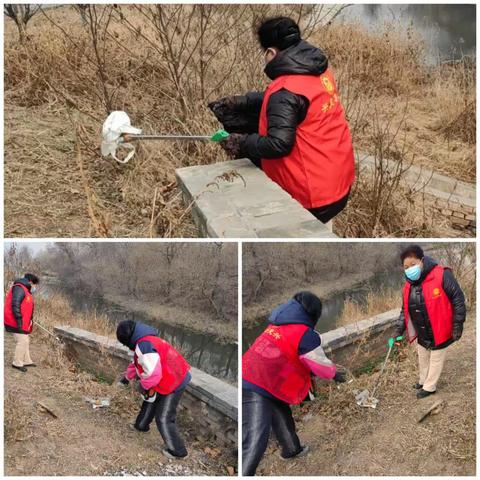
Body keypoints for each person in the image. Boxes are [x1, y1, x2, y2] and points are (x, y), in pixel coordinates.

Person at [209, 16, 355, 225]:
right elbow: (296, 104)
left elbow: (278, 144)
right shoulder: (318, 70)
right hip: (337, 184)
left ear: (271, 53)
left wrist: (240, 143)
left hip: (312, 198)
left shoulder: (285, 89)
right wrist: (245, 101)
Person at [242, 291, 346, 475]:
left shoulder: (277, 323)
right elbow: (319, 365)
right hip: (255, 382)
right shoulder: (304, 334)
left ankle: (291, 449)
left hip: (258, 375)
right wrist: (334, 374)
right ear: (314, 313)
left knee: (281, 412)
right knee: (256, 437)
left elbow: (281, 356)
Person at [390, 245, 466, 399]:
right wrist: (398, 331)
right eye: (406, 267)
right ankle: (423, 380)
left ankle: (430, 387)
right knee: (422, 357)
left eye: (413, 264)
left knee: (436, 359)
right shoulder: (407, 287)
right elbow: (404, 312)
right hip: (422, 331)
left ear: (422, 260)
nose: (410, 269)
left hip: (440, 329)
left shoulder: (441, 274)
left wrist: (458, 324)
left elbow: (458, 299)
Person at [116, 320, 191, 459]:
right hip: (166, 376)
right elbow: (137, 363)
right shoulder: (144, 340)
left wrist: (143, 387)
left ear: (127, 340)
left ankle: (178, 451)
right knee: (150, 400)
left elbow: (153, 376)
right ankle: (141, 425)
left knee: (163, 417)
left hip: (174, 380)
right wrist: (126, 378)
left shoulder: (144, 345)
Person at [4, 273, 40, 372]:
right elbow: (15, 304)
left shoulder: (26, 290)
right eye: (35, 285)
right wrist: (19, 319)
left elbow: (26, 307)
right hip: (14, 320)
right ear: (31, 282)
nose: (35, 287)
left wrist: (30, 320)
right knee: (22, 340)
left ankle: (26, 360)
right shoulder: (19, 288)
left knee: (26, 340)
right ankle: (17, 363)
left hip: (21, 321)